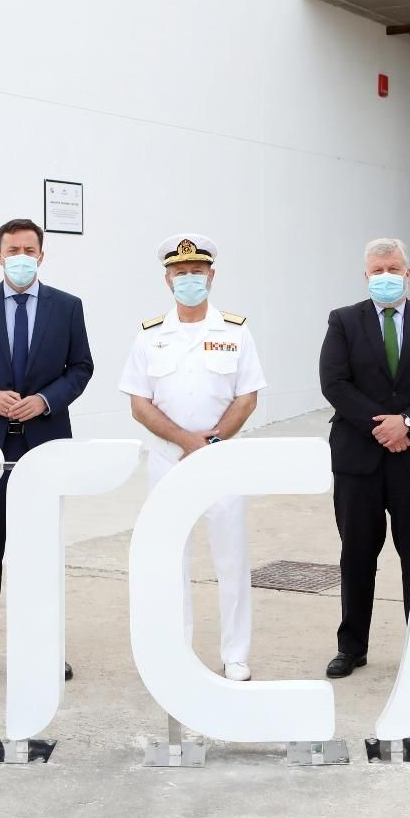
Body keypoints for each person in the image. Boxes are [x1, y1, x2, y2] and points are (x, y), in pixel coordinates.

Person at [0, 217, 94, 686]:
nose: (21, 257)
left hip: (44, 445)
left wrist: (46, 400)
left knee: (41, 551)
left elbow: (81, 367)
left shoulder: (67, 307)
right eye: (12, 250)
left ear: (42, 255)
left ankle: (46, 645)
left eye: (29, 249)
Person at [119, 234, 265, 681]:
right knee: (169, 557)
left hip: (220, 460)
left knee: (231, 560)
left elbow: (247, 397)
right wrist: (186, 441)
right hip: (168, 461)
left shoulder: (236, 331)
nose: (189, 280)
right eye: (180, 274)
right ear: (167, 280)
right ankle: (175, 650)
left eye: (197, 273)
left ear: (212, 277)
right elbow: (139, 403)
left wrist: (211, 441)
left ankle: (235, 653)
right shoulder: (149, 336)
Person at [319, 238, 410, 679]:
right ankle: (351, 647)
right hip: (358, 458)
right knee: (357, 553)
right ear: (366, 276)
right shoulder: (343, 321)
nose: (386, 276)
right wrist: (381, 427)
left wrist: (408, 423)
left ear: (408, 272)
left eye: (393, 268)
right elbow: (334, 382)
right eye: (377, 270)